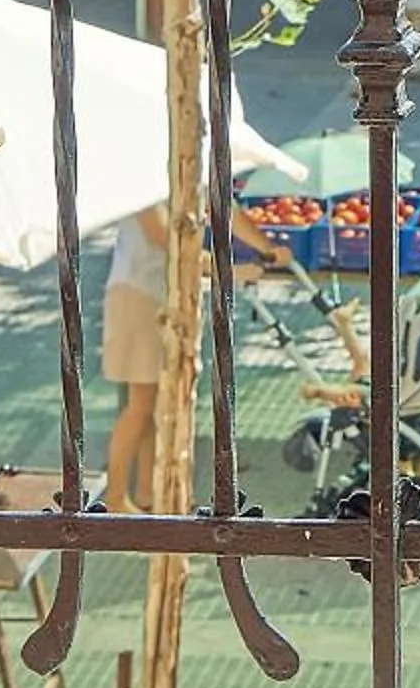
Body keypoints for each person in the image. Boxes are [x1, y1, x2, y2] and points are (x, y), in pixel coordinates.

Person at [102, 197, 284, 512]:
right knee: (140, 405)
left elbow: (224, 208)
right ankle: (116, 499)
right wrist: (234, 271)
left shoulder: (187, 168)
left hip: (163, 300)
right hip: (137, 297)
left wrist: (267, 248)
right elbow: (173, 246)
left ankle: (148, 494)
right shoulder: (145, 188)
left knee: (154, 401)